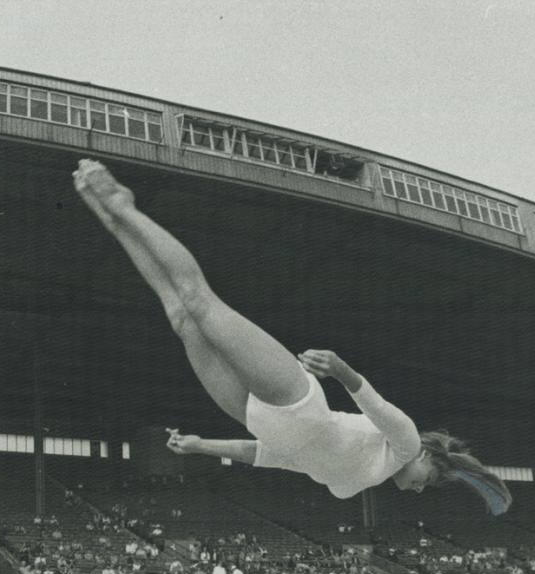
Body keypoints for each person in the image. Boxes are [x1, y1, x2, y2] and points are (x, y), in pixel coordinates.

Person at [71, 158, 510, 514]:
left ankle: (114, 225)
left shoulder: (349, 483)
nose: (416, 491)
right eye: (427, 482)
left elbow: (266, 455)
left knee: (181, 318)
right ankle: (124, 206)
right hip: (296, 402)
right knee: (199, 302)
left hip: (255, 418)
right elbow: (373, 404)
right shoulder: (405, 444)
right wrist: (340, 369)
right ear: (427, 459)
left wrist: (200, 446)